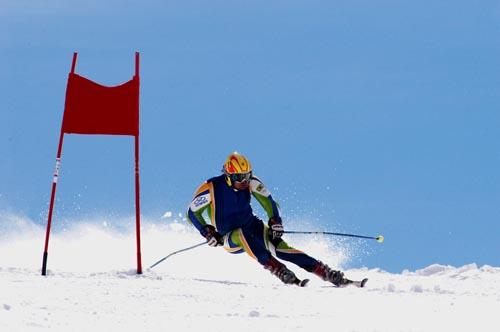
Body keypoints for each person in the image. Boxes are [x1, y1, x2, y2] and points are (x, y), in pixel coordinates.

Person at [186, 152, 349, 286]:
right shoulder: (211, 188)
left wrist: (275, 221)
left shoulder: (252, 182)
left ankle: (324, 271)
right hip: (229, 237)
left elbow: (268, 202)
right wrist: (207, 232)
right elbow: (192, 213)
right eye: (239, 178)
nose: (244, 181)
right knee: (242, 234)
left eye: (246, 176)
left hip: (252, 226)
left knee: (280, 248)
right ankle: (278, 269)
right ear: (228, 176)